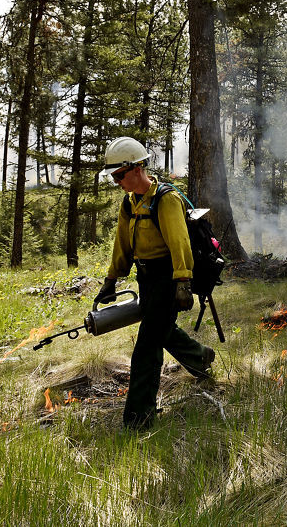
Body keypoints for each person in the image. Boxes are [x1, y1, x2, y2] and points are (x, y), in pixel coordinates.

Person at [95, 136, 215, 430]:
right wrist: (111, 279)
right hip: (146, 278)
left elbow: (180, 243)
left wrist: (183, 283)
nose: (117, 182)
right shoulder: (130, 201)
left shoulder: (166, 199)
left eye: (119, 175)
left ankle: (139, 418)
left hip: (168, 278)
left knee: (147, 348)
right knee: (162, 330)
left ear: (137, 168)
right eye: (113, 177)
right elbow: (122, 243)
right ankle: (200, 358)